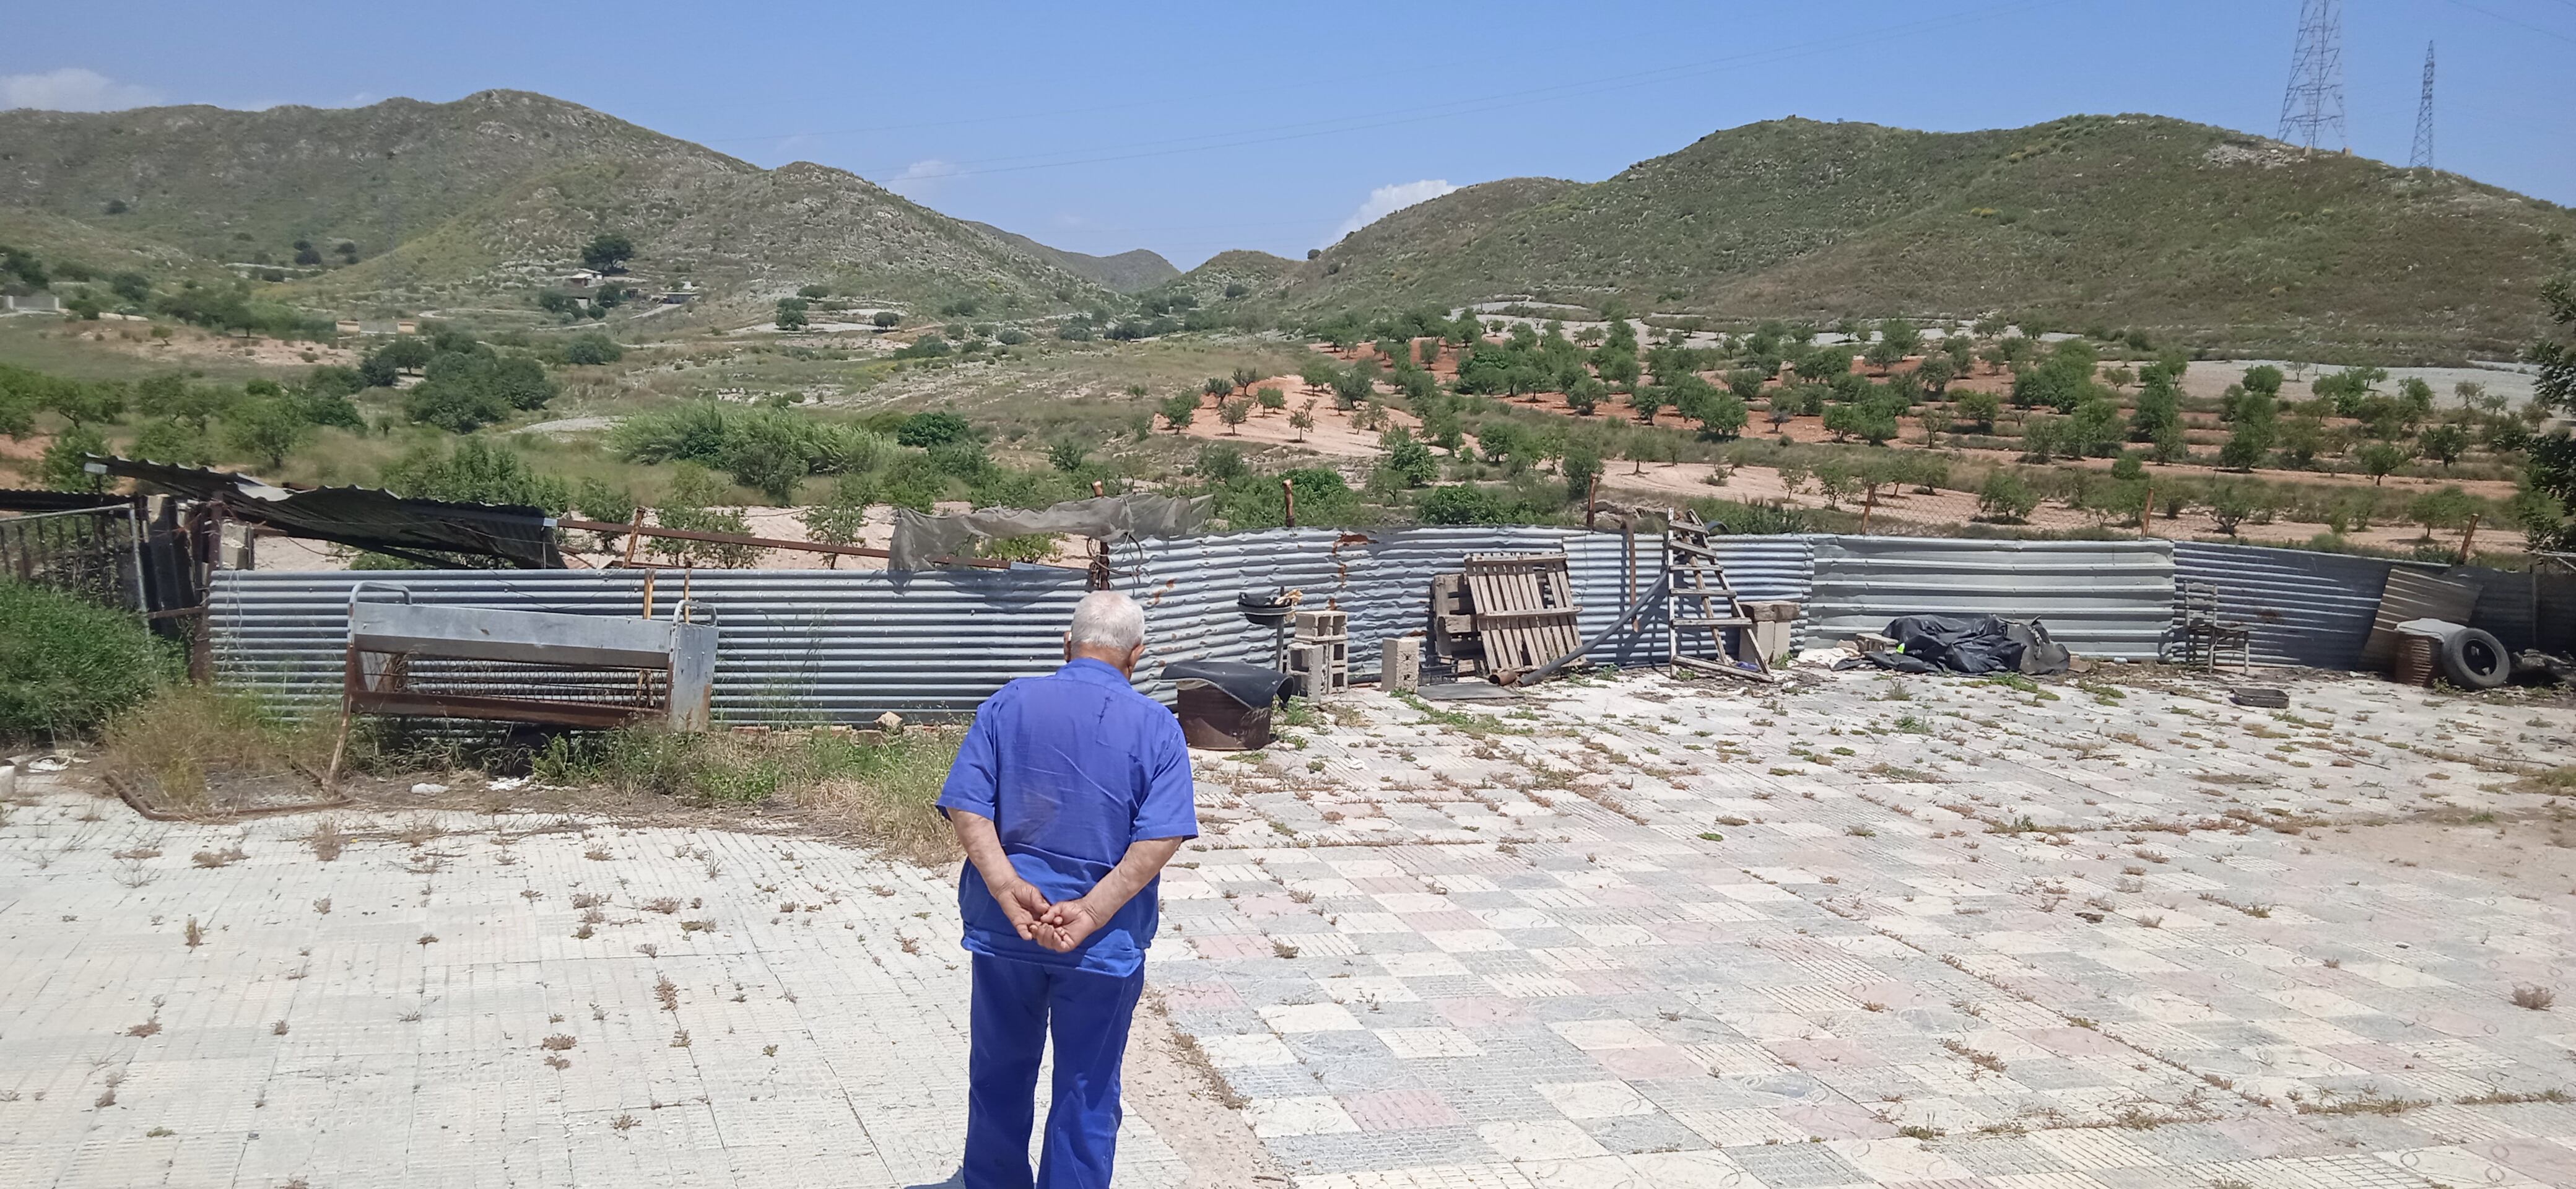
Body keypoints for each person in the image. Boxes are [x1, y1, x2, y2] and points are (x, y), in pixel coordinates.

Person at [935, 589, 1198, 1189]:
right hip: (1100, 949)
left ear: (1065, 644)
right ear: (1136, 656)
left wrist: (1005, 887)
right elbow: (1160, 839)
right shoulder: (1158, 728)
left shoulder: (1008, 705)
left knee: (998, 1073)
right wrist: (1092, 911)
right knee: (1087, 1087)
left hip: (1008, 933)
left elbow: (966, 807)